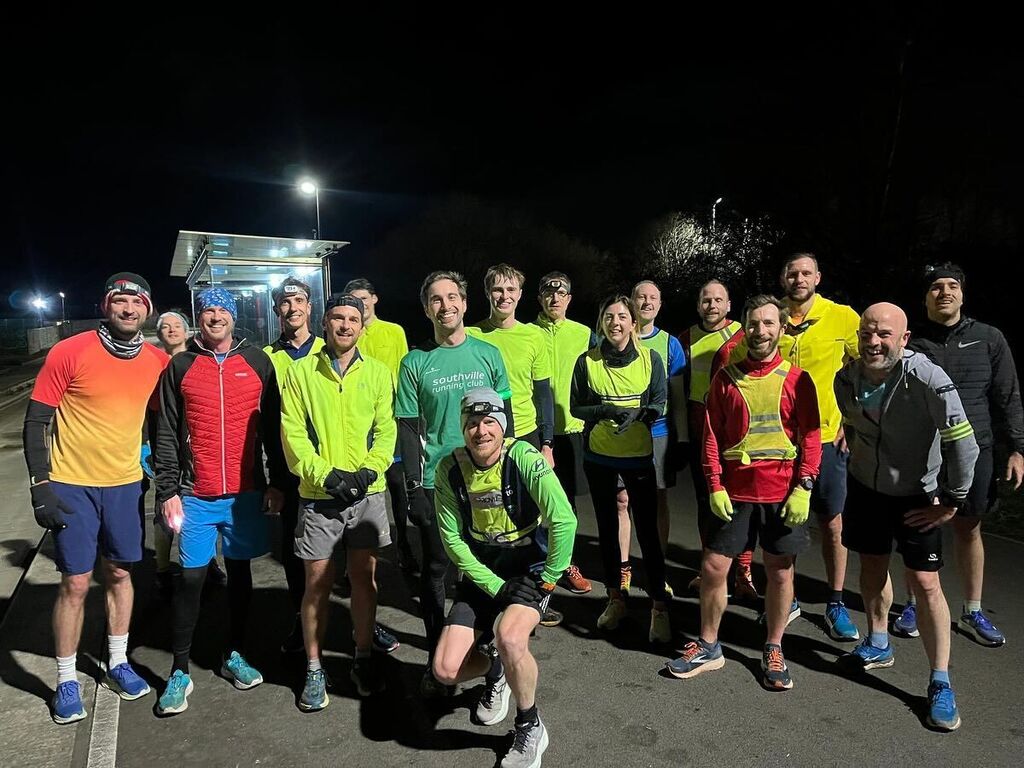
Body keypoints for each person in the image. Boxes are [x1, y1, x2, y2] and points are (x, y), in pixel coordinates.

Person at [23, 272, 167, 723]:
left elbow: (164, 422)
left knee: (121, 574)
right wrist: (40, 484)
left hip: (125, 485)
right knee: (76, 582)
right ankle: (66, 680)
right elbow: (35, 421)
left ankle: (118, 662)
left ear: (147, 310)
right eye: (120, 300)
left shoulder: (157, 361)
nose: (129, 309)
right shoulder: (70, 351)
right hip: (71, 484)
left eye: (137, 303)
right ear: (106, 306)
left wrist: (163, 469)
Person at [835, 302, 979, 732]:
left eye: (884, 334)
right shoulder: (846, 378)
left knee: (926, 583)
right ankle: (878, 641)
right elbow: (853, 425)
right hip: (866, 488)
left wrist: (950, 501)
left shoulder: (927, 378)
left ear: (904, 338)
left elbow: (963, 441)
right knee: (871, 564)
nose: (874, 342)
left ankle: (940, 681)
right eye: (866, 333)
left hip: (917, 495)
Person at [666, 296, 820, 691]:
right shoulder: (725, 379)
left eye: (769, 324)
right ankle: (708, 645)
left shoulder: (798, 380)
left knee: (780, 572)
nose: (760, 331)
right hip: (733, 493)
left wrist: (805, 486)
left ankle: (773, 647)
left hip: (782, 493)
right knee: (714, 567)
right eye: (754, 324)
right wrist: (714, 484)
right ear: (744, 329)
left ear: (781, 329)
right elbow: (711, 437)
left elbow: (811, 437)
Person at [154, 288, 288, 716]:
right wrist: (167, 492)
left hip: (246, 494)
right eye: (208, 310)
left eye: (222, 310)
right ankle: (179, 670)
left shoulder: (258, 362)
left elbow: (274, 429)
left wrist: (276, 483)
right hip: (196, 494)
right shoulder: (181, 365)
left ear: (233, 316)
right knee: (191, 581)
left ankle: (234, 653)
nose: (215, 317)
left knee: (241, 577)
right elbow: (166, 432)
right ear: (200, 318)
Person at [432, 388, 577, 767]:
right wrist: (496, 586)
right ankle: (496, 669)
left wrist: (548, 580)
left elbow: (563, 520)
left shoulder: (523, 457)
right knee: (446, 670)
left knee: (511, 636)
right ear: (463, 428)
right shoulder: (449, 469)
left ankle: (530, 726)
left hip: (530, 569)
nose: (481, 431)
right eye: (472, 423)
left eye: (489, 422)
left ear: (503, 424)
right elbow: (452, 540)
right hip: (485, 572)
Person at [264, 277, 399, 656]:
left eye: (353, 319)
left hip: (367, 493)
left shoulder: (377, 372)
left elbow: (386, 430)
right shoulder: (299, 372)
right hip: (317, 493)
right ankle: (313, 664)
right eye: (338, 318)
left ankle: (363, 654)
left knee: (363, 580)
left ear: (362, 326)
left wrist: (370, 471)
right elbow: (292, 434)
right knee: (317, 584)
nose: (345, 325)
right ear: (325, 322)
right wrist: (325, 476)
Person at [892, 263, 1023, 646]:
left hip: (976, 448)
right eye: (936, 287)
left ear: (963, 294)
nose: (945, 292)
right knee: (921, 524)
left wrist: (1017, 448)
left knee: (969, 527)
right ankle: (915, 602)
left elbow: (1007, 394)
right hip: (924, 449)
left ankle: (972, 610)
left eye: (952, 286)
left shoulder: (989, 338)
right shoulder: (913, 342)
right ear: (925, 297)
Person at [395, 270, 512, 696]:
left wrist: (511, 473)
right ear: (427, 309)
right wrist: (413, 488)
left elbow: (506, 421)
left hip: (484, 479)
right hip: (436, 481)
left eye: (452, 297)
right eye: (436, 299)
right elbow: (409, 430)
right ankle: (436, 656)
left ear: (464, 302)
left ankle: (487, 655)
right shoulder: (414, 362)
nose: (445, 306)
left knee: (482, 569)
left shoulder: (488, 354)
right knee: (436, 570)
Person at [468, 263, 578, 624]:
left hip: (526, 437)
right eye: (497, 290)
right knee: (489, 516)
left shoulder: (533, 336)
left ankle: (534, 598)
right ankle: (491, 594)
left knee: (533, 520)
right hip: (486, 439)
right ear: (487, 293)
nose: (504, 296)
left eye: (511, 290)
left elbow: (543, 395)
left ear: (520, 294)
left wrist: (547, 443)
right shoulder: (472, 335)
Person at [570, 294, 671, 642]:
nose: (615, 322)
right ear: (601, 323)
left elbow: (659, 401)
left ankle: (659, 607)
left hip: (638, 456)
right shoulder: (587, 361)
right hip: (599, 457)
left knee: (648, 533)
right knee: (608, 531)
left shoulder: (650, 358)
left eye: (622, 316)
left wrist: (642, 414)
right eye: (609, 316)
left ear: (633, 323)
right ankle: (616, 599)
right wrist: (605, 411)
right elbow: (577, 407)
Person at [777, 253, 861, 640]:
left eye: (806, 273)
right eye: (792, 273)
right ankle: (786, 598)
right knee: (785, 521)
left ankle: (836, 601)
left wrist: (854, 419)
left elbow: (869, 367)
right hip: (780, 442)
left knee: (832, 522)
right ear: (783, 278)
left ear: (818, 277)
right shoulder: (773, 316)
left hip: (826, 438)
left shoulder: (842, 317)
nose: (799, 278)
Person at [677, 280, 749, 597]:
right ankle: (708, 567)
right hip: (699, 428)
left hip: (735, 431)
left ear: (729, 305)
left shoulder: (743, 335)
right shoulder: (684, 339)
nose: (712, 306)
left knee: (742, 503)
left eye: (718, 300)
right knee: (706, 502)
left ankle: (743, 571)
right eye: (706, 300)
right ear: (698, 305)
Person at [150, 311, 225, 598]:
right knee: (165, 509)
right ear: (159, 333)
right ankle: (162, 567)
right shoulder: (153, 363)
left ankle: (208, 562)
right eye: (165, 326)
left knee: (203, 510)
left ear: (187, 330)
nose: (172, 330)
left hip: (197, 451)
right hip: (164, 447)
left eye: (177, 326)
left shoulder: (200, 359)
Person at [344, 277, 417, 573]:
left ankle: (404, 545)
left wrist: (407, 418)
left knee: (398, 486)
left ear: (374, 299)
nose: (360, 304)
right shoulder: (348, 332)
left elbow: (404, 374)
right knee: (360, 485)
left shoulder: (393, 331)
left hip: (390, 421)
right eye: (354, 300)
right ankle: (355, 554)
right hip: (359, 425)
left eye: (364, 298)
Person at [531, 272, 594, 595]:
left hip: (571, 431)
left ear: (569, 298)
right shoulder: (527, 333)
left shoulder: (584, 334)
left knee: (565, 505)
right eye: (548, 293)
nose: (554, 299)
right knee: (535, 504)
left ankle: (566, 563)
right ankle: (539, 564)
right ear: (539, 298)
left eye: (561, 294)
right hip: (534, 430)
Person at [632, 280, 686, 567]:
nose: (647, 302)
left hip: (659, 432)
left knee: (658, 499)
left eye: (653, 298)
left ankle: (657, 561)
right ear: (632, 302)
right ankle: (624, 564)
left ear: (660, 304)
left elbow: (678, 398)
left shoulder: (670, 344)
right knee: (623, 501)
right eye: (641, 297)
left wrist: (683, 439)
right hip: (624, 433)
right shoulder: (617, 337)